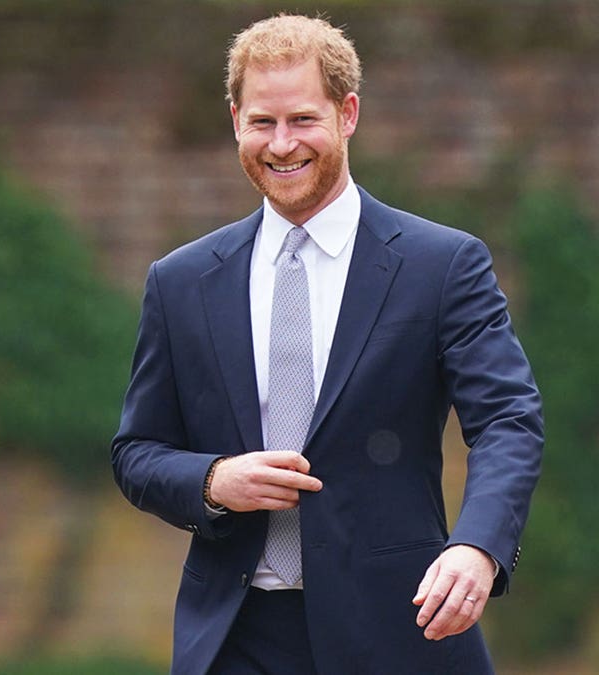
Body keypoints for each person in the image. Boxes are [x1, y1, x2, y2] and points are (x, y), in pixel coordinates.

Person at [111, 13, 542, 674]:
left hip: (402, 629)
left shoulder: (442, 265)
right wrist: (213, 478)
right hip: (233, 638)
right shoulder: (181, 281)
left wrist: (477, 547)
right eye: (262, 122)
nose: (281, 144)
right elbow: (137, 453)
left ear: (348, 114)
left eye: (302, 119)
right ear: (235, 121)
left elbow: (508, 422)